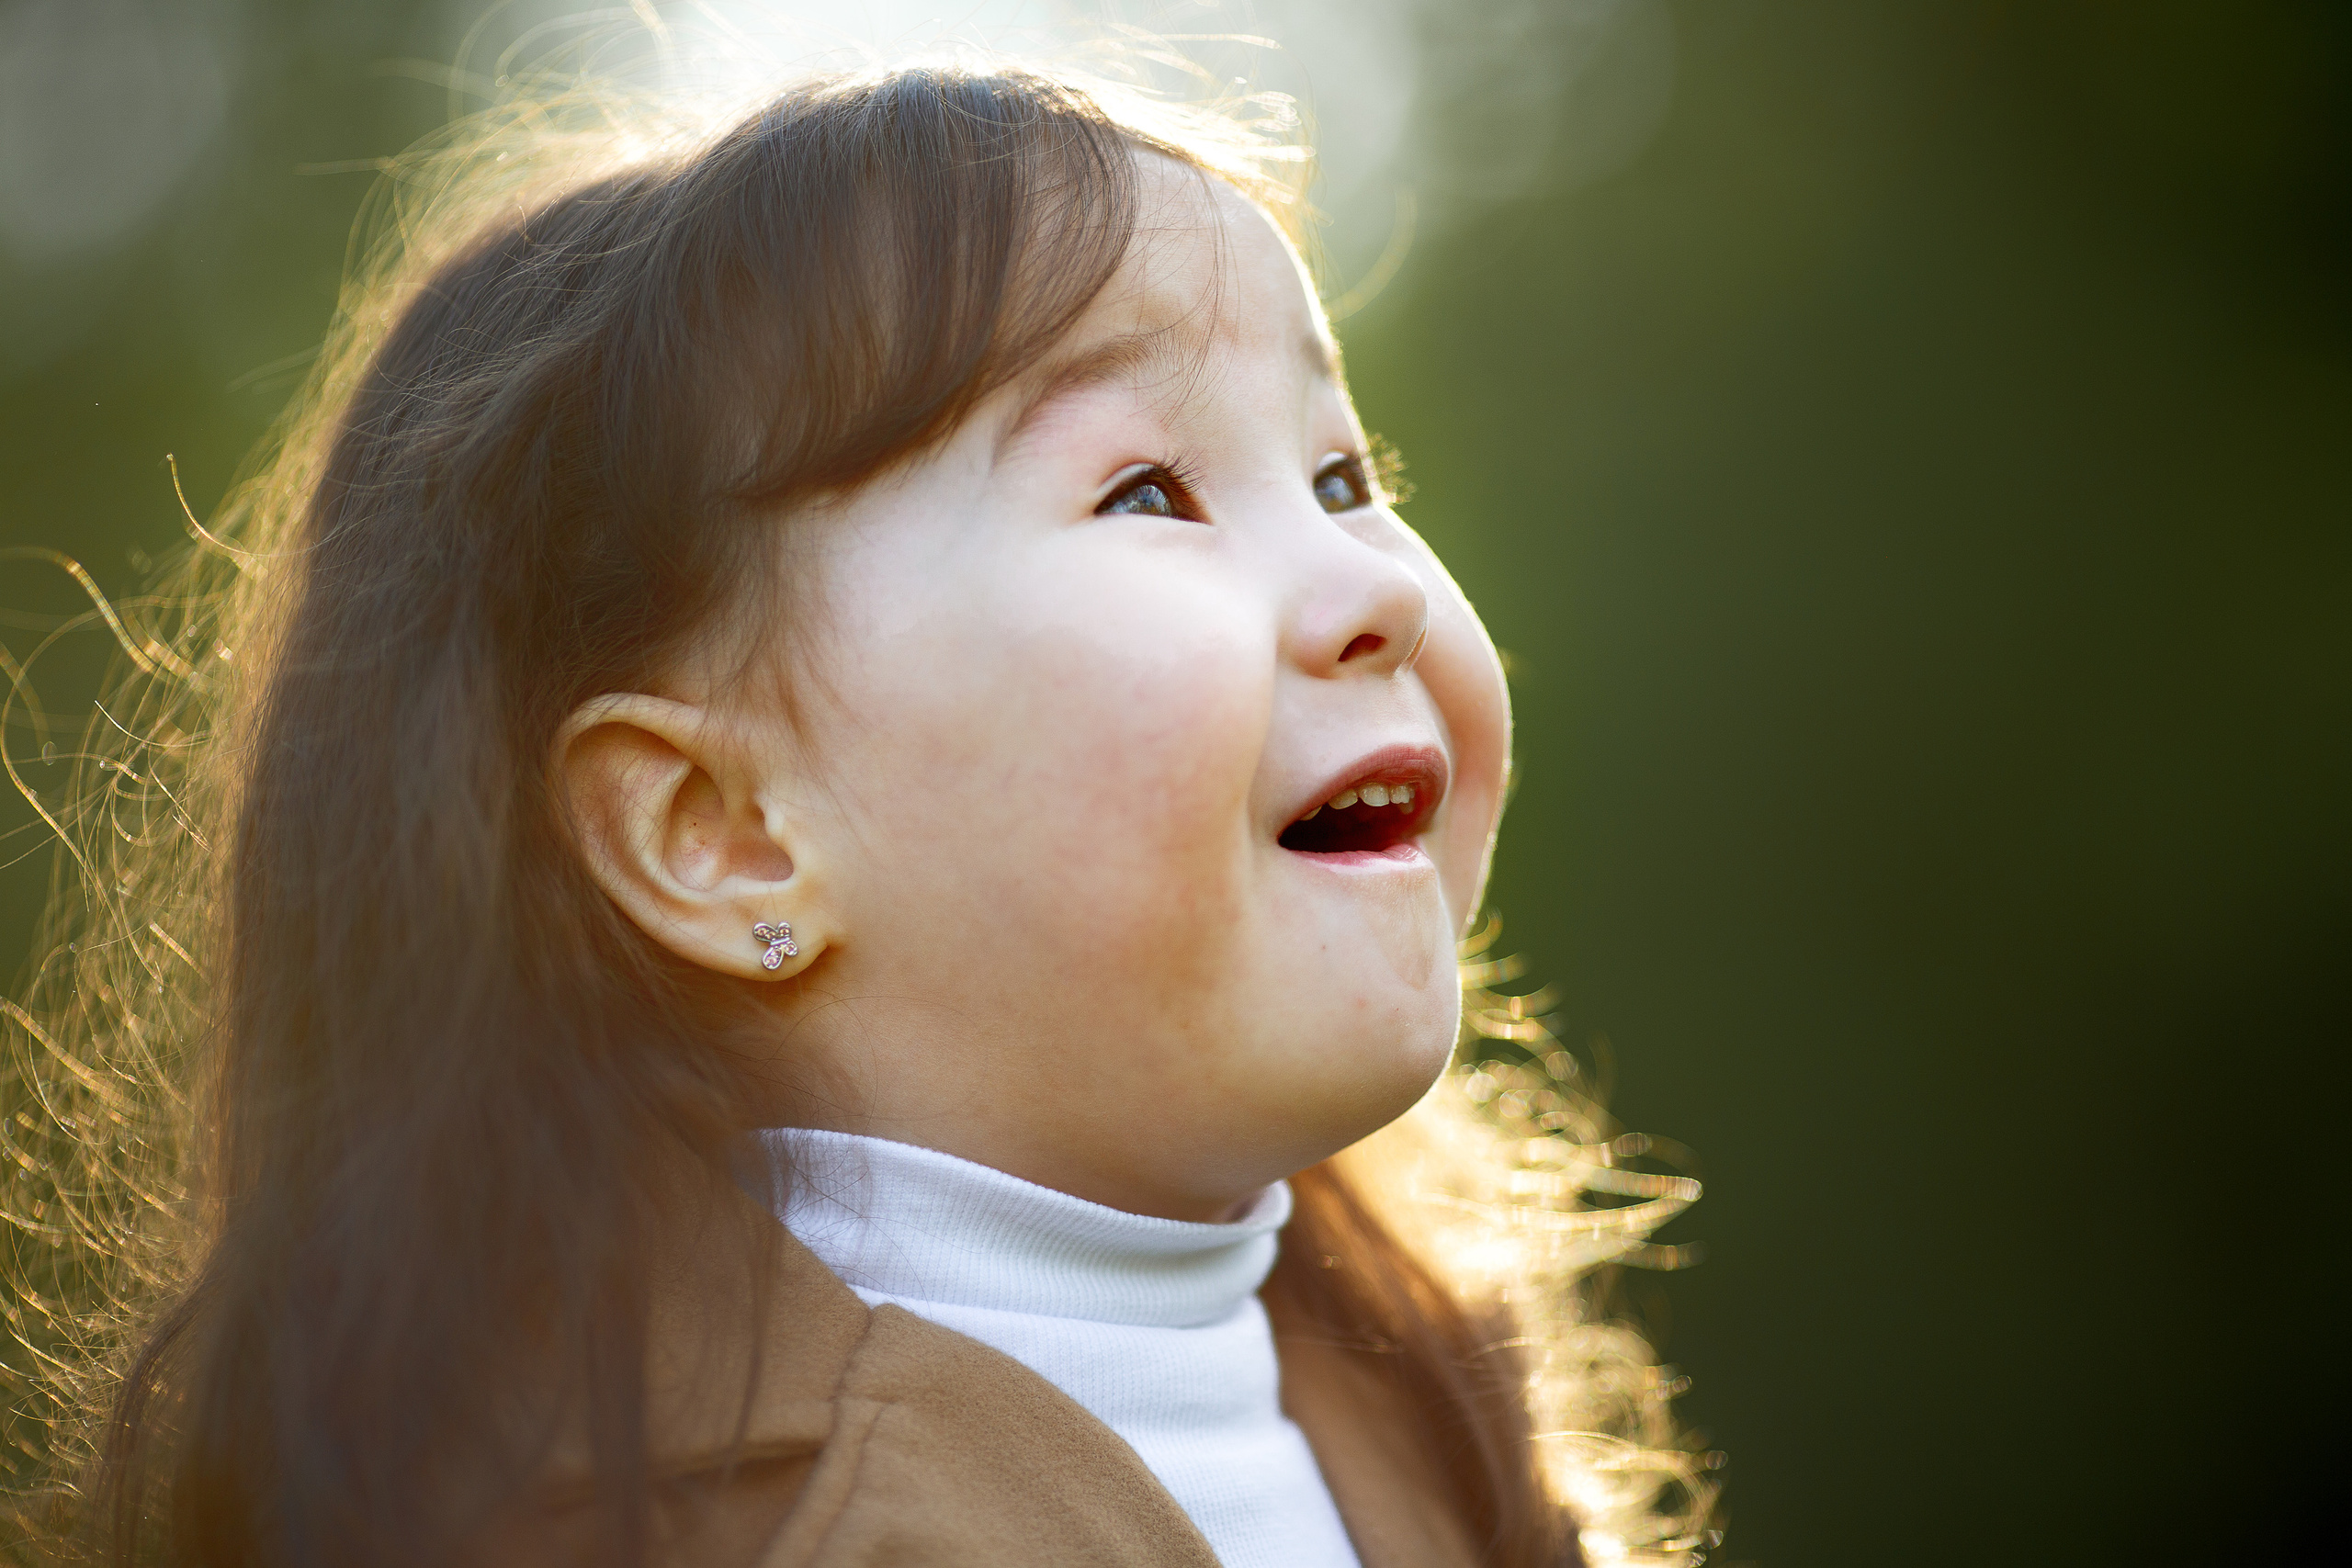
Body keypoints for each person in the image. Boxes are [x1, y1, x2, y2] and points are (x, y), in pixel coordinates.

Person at [0, 57, 1707, 1568]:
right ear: (725, 833)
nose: (1373, 586)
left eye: (1345, 474)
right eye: (1145, 490)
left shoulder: (1441, 1415)